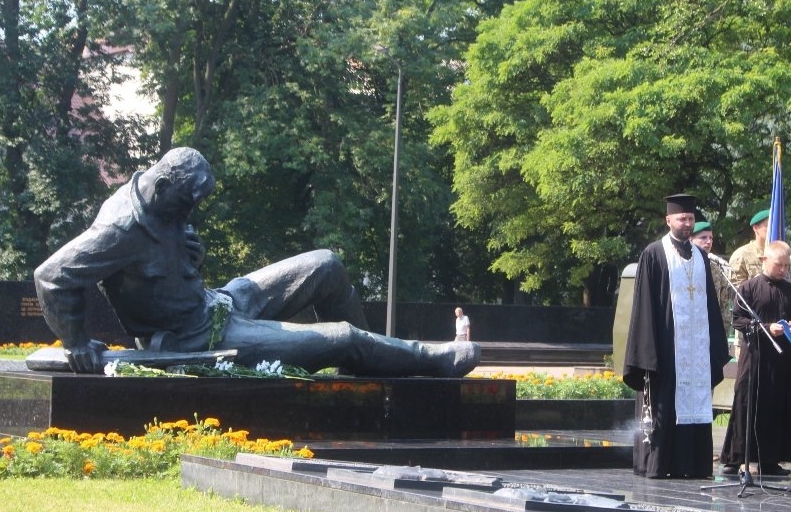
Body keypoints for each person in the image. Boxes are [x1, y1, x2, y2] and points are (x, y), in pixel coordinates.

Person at [33, 147, 480, 378]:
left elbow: (168, 269)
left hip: (220, 303)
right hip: (195, 337)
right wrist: (76, 343)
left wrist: (193, 254)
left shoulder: (163, 200)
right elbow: (51, 277)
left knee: (327, 264)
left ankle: (366, 365)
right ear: (165, 185)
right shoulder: (120, 229)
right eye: (189, 202)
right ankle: (427, 359)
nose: (192, 212)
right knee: (341, 336)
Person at [622, 193, 731, 479]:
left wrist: (714, 347)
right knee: (665, 405)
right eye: (682, 219)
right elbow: (644, 306)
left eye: (690, 219)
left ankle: (691, 465)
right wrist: (648, 353)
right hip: (666, 348)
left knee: (695, 401)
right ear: (668, 220)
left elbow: (711, 304)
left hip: (696, 350)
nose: (687, 224)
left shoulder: (701, 257)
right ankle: (659, 464)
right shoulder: (654, 254)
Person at [719, 241, 791, 476]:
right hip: (756, 357)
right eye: (779, 265)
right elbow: (739, 320)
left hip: (782, 359)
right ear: (764, 260)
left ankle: (770, 460)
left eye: (787, 265)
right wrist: (767, 328)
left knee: (776, 406)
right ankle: (736, 458)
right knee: (746, 404)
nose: (783, 270)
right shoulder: (749, 288)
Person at [691, 221, 734, 333]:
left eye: (711, 238)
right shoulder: (683, 266)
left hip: (712, 327)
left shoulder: (715, 267)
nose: (708, 241)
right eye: (703, 238)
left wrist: (723, 331)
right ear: (690, 239)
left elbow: (723, 303)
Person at [728, 209, 769, 288]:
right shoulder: (741, 255)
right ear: (755, 228)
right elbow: (736, 290)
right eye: (769, 226)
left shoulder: (779, 254)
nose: (774, 230)